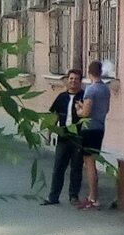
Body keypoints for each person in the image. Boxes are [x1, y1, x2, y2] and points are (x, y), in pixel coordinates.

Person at [41, 68, 84, 206]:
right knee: (58, 167)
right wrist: (49, 134)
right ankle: (53, 197)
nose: (73, 81)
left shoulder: (84, 97)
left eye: (76, 79)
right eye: (71, 78)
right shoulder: (61, 97)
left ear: (80, 81)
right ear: (67, 80)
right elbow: (54, 116)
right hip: (63, 137)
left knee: (76, 168)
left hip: (78, 138)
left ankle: (74, 196)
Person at [75, 60, 111, 209]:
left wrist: (79, 110)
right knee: (93, 160)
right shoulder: (105, 89)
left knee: (89, 163)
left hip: (89, 129)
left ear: (89, 72)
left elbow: (85, 113)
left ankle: (93, 197)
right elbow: (105, 109)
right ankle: (92, 196)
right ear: (100, 72)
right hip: (100, 127)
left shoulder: (90, 89)